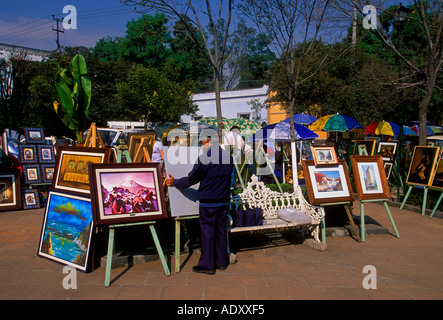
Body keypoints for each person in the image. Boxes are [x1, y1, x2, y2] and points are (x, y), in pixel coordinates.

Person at [165, 131, 234, 275]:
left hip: (209, 201)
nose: (201, 144)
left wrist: (175, 182)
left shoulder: (205, 158)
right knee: (221, 230)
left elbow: (191, 179)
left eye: (202, 141)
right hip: (223, 201)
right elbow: (231, 179)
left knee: (208, 232)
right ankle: (221, 262)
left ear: (209, 140)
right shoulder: (228, 156)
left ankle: (208, 265)